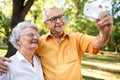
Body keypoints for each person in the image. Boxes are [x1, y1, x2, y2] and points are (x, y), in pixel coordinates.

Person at [0, 6, 113, 80]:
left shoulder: (77, 38)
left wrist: (104, 32)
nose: (59, 21)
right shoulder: (39, 42)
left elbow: (98, 42)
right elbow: (23, 54)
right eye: (53, 19)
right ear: (46, 24)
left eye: (60, 17)